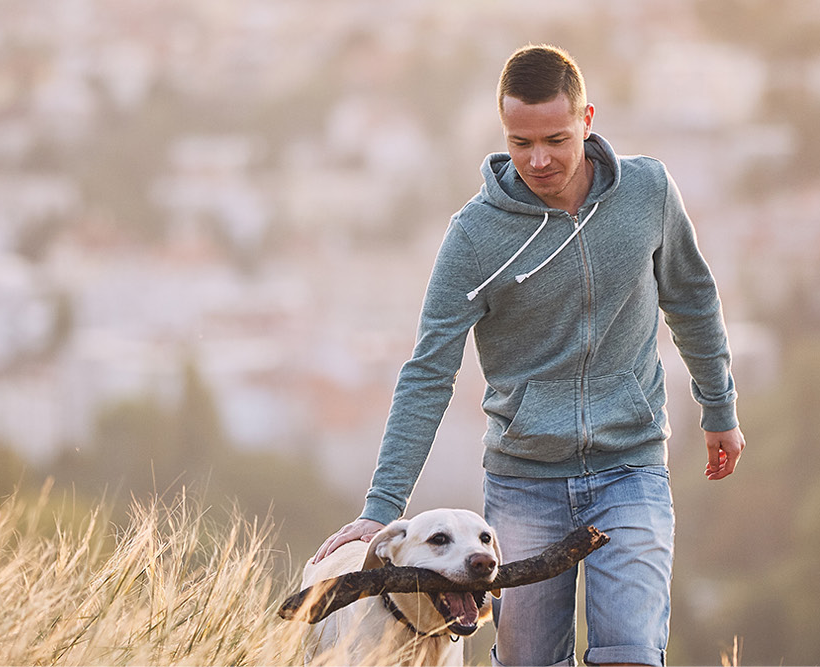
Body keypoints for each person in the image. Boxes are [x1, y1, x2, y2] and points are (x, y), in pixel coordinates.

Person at [311, 44, 746, 667]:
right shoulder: (474, 236)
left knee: (631, 654)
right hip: (525, 483)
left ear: (587, 120)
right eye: (520, 143)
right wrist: (379, 510)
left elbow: (693, 299)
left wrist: (719, 407)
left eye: (556, 139)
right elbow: (430, 372)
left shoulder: (648, 191)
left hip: (633, 467)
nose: (539, 160)